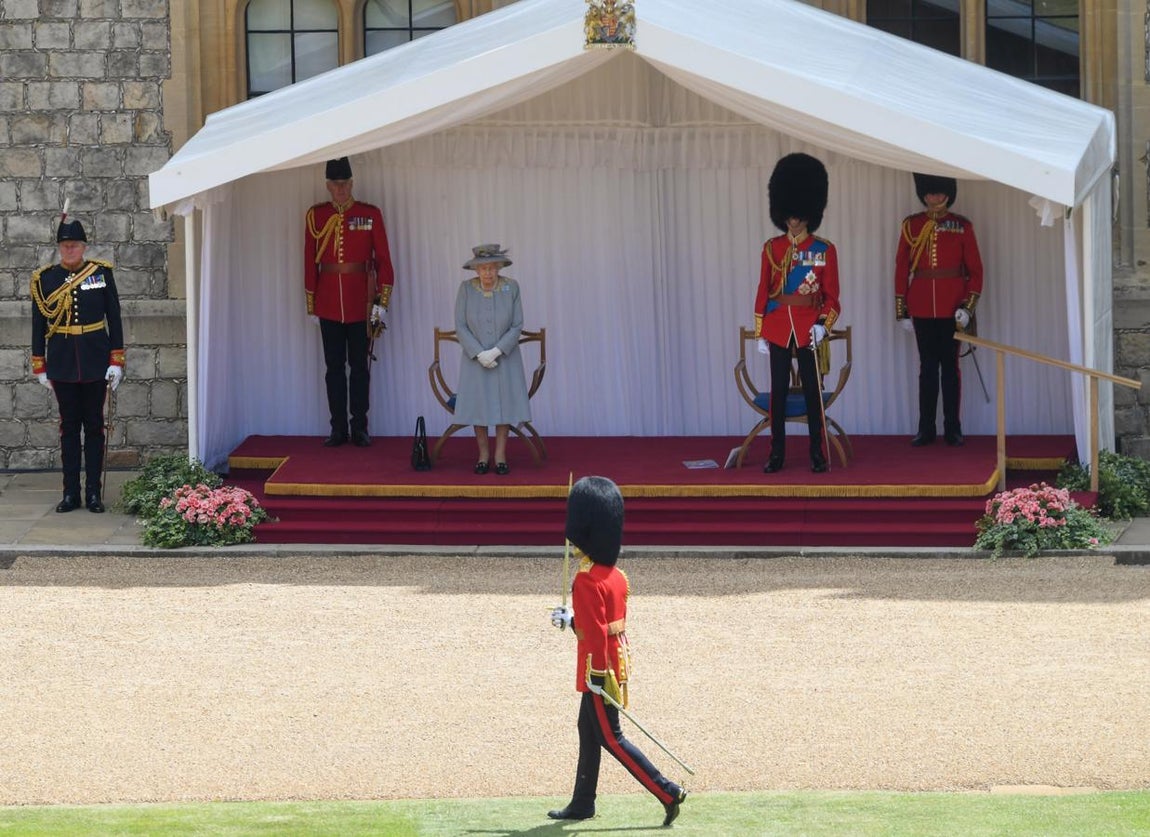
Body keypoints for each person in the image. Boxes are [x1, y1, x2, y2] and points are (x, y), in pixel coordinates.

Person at [548, 476, 688, 827]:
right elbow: (604, 624)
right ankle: (582, 802)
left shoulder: (586, 580)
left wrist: (593, 672)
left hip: (598, 671)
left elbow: (593, 635)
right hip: (614, 663)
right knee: (587, 730)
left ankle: (666, 790)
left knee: (612, 738)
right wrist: (575, 620)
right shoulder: (615, 576)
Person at [754, 152, 841, 474]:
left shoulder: (823, 250)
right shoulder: (771, 248)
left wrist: (823, 325)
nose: (794, 220)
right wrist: (760, 328)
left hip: (808, 328)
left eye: (799, 214)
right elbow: (763, 290)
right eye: (789, 214)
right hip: (777, 326)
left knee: (812, 394)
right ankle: (776, 453)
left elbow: (832, 297)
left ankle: (817, 452)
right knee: (777, 394)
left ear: (810, 214)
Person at [30, 217, 124, 513]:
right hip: (63, 361)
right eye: (65, 245)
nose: (70, 250)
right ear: (59, 248)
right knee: (69, 428)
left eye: (74, 245)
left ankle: (94, 493)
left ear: (84, 247)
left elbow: (115, 318)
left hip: (96, 359)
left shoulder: (101, 273)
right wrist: (39, 364)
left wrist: (116, 360)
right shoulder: (45, 279)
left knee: (95, 427)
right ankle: (71, 493)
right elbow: (37, 324)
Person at [304, 156, 394, 448]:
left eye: (345, 184)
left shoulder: (369, 214)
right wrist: (312, 303)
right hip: (328, 303)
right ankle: (338, 428)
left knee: (359, 367)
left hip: (361, 303)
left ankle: (360, 427)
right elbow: (309, 262)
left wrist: (382, 302)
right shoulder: (316, 217)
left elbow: (384, 261)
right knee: (333, 368)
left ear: (351, 184)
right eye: (336, 185)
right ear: (328, 186)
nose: (341, 189)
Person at [894, 173, 984, 447]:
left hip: (951, 307)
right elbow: (901, 268)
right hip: (921, 306)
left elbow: (976, 271)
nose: (934, 197)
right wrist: (902, 310)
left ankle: (952, 428)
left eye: (938, 192)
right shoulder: (912, 226)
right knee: (927, 369)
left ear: (948, 193)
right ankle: (926, 428)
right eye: (930, 193)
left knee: (951, 368)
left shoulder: (962, 227)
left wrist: (967, 307)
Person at [453, 244, 531, 475]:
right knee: (479, 405)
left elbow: (517, 324)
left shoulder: (512, 288)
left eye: (491, 268)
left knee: (504, 403)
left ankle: (500, 455)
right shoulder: (465, 289)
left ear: (498, 267)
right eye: (482, 268)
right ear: (475, 270)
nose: (487, 273)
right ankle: (483, 454)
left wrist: (496, 351)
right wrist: (479, 353)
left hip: (505, 358)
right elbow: (460, 325)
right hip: (473, 359)